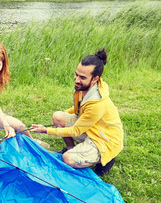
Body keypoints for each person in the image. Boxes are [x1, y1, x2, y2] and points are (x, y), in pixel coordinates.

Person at [31, 48, 123, 176]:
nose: (76, 79)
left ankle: (106, 159)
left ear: (95, 79)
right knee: (57, 117)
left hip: (102, 139)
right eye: (76, 74)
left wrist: (45, 130)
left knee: (67, 159)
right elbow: (79, 109)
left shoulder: (97, 103)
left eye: (82, 77)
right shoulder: (85, 87)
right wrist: (62, 117)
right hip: (91, 128)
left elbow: (75, 131)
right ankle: (71, 149)